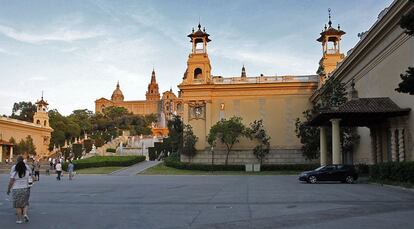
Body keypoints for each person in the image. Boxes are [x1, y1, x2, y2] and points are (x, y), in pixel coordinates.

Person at [7, 155, 32, 224]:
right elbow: (31, 177)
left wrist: (8, 189)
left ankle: (19, 220)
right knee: (25, 203)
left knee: (18, 205)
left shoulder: (14, 171)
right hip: (26, 188)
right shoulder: (27, 171)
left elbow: (11, 182)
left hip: (16, 189)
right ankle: (25, 214)